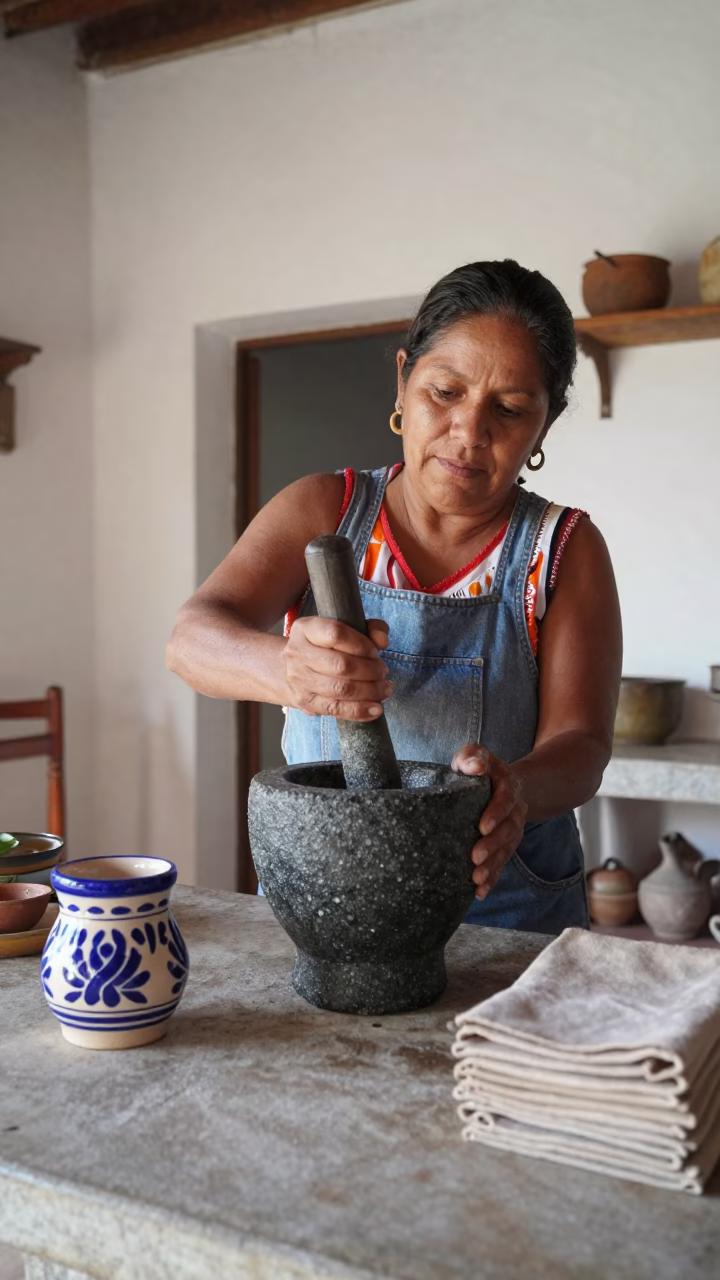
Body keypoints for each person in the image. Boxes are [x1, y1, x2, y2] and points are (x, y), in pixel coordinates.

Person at [167, 260, 622, 934]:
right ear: (403, 381)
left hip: (505, 897)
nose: (469, 433)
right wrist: (286, 670)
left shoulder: (566, 549)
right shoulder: (324, 508)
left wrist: (516, 789)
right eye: (445, 391)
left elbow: (581, 743)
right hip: (326, 887)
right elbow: (190, 640)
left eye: (510, 408)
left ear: (545, 426)